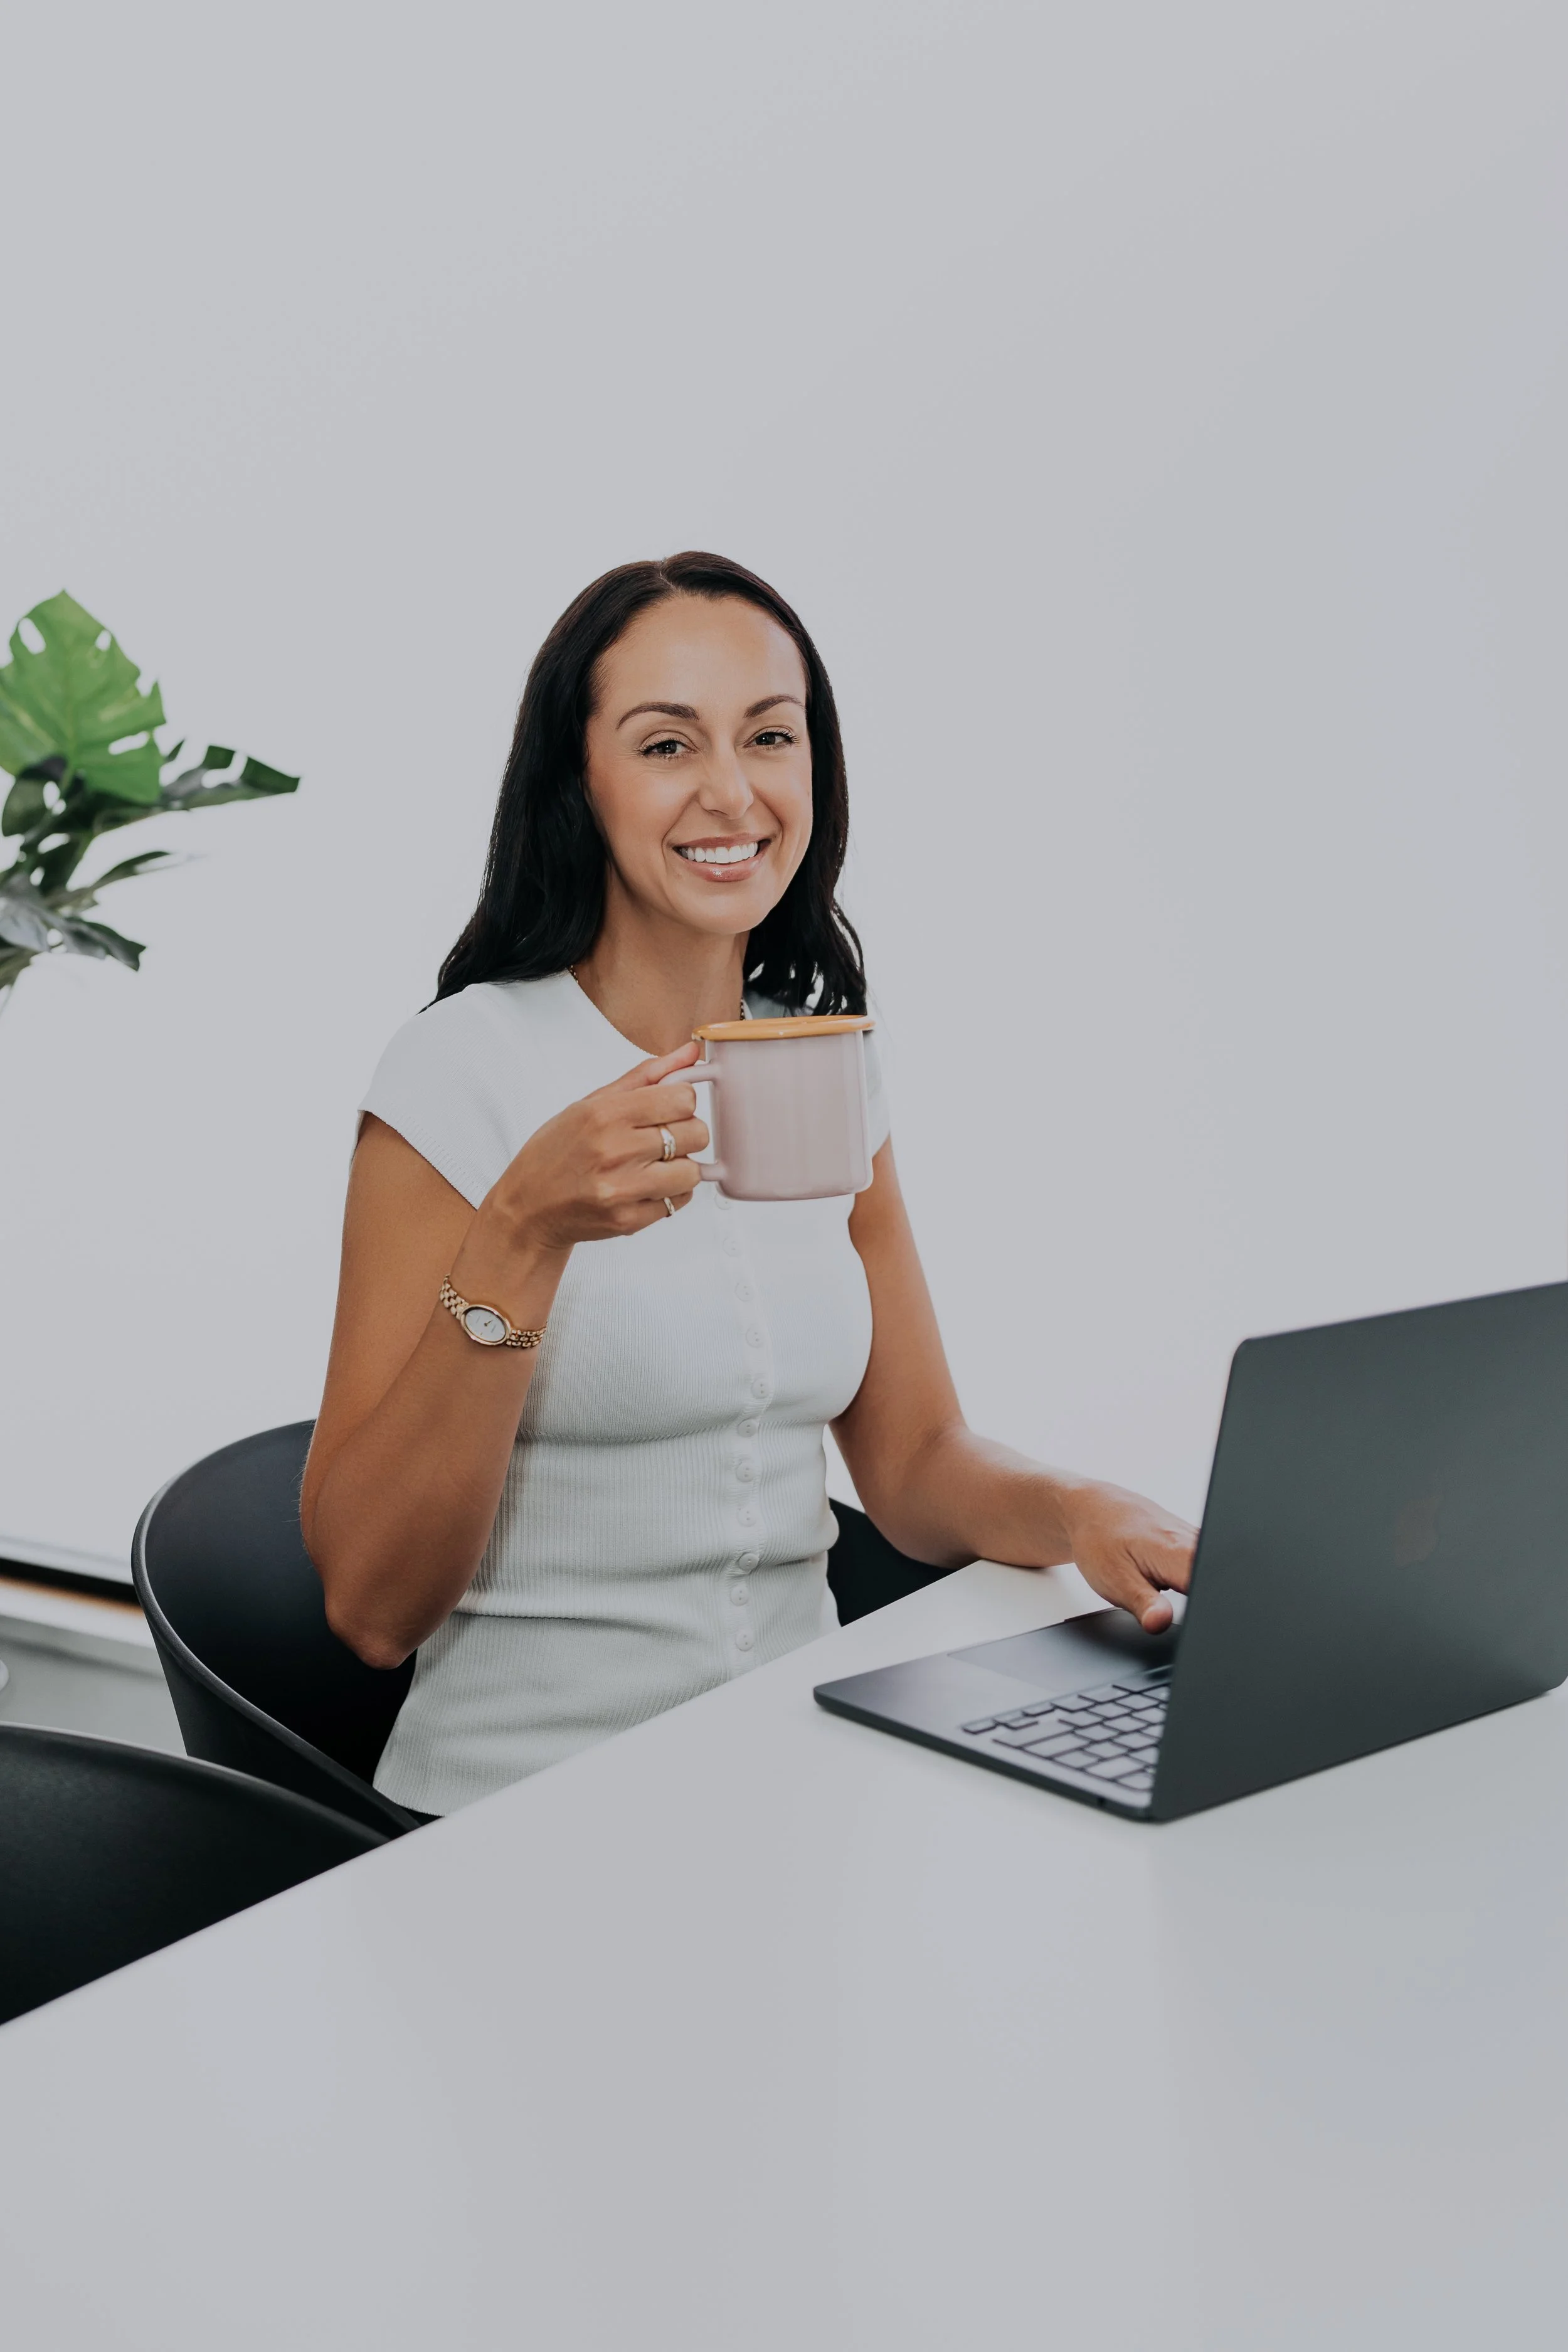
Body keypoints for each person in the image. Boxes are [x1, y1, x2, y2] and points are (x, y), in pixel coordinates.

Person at [302, 552, 1196, 1816]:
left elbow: (914, 1462)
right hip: (520, 1815)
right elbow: (369, 1607)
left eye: (769, 737)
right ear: (579, 779)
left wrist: (1081, 1509)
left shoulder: (820, 1056)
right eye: (666, 745)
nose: (732, 792)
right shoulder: (460, 1071)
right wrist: (524, 1230)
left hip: (788, 1783)